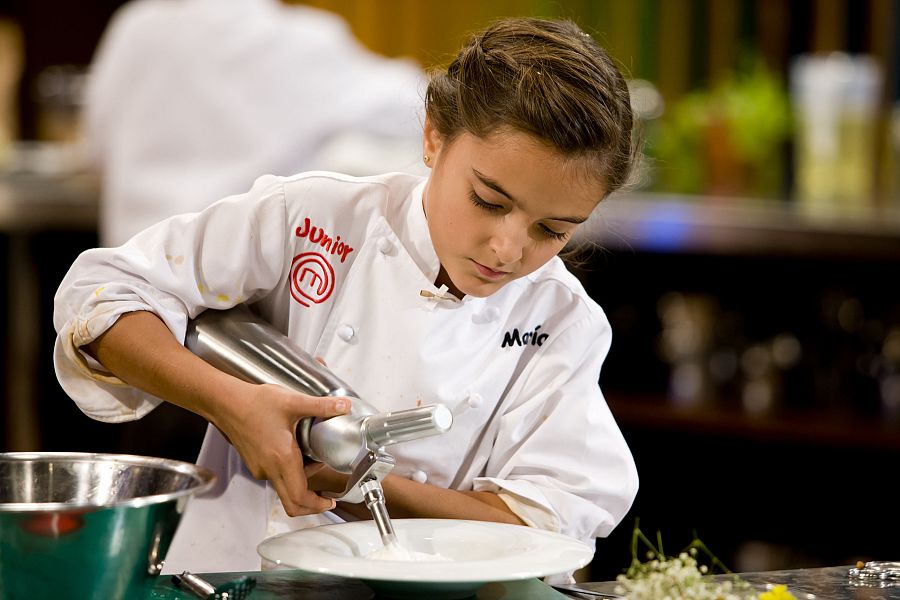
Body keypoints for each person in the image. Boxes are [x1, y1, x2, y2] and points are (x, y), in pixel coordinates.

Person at [54, 16, 640, 575]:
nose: (509, 248)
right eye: (489, 201)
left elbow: (544, 527)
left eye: (553, 230)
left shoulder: (562, 321)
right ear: (434, 135)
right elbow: (100, 298)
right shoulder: (315, 219)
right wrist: (229, 403)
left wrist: (365, 485)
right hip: (236, 574)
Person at [82, 0, 425, 247]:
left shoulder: (134, 27)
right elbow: (418, 104)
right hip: (237, 285)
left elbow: (93, 152)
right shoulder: (298, 42)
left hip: (128, 282)